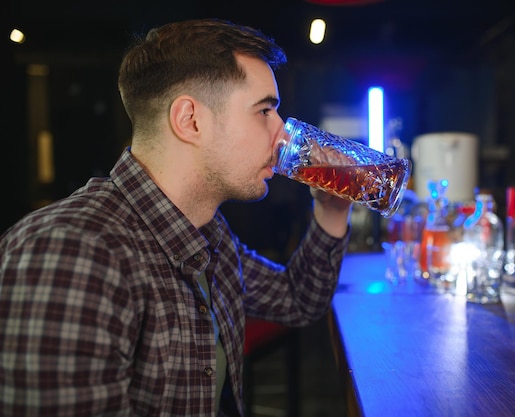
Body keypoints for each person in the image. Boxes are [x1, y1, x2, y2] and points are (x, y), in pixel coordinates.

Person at [0, 18, 352, 417]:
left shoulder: (206, 230)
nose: (284, 135)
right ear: (190, 120)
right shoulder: (72, 253)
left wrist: (332, 208)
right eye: (265, 111)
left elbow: (296, 300)